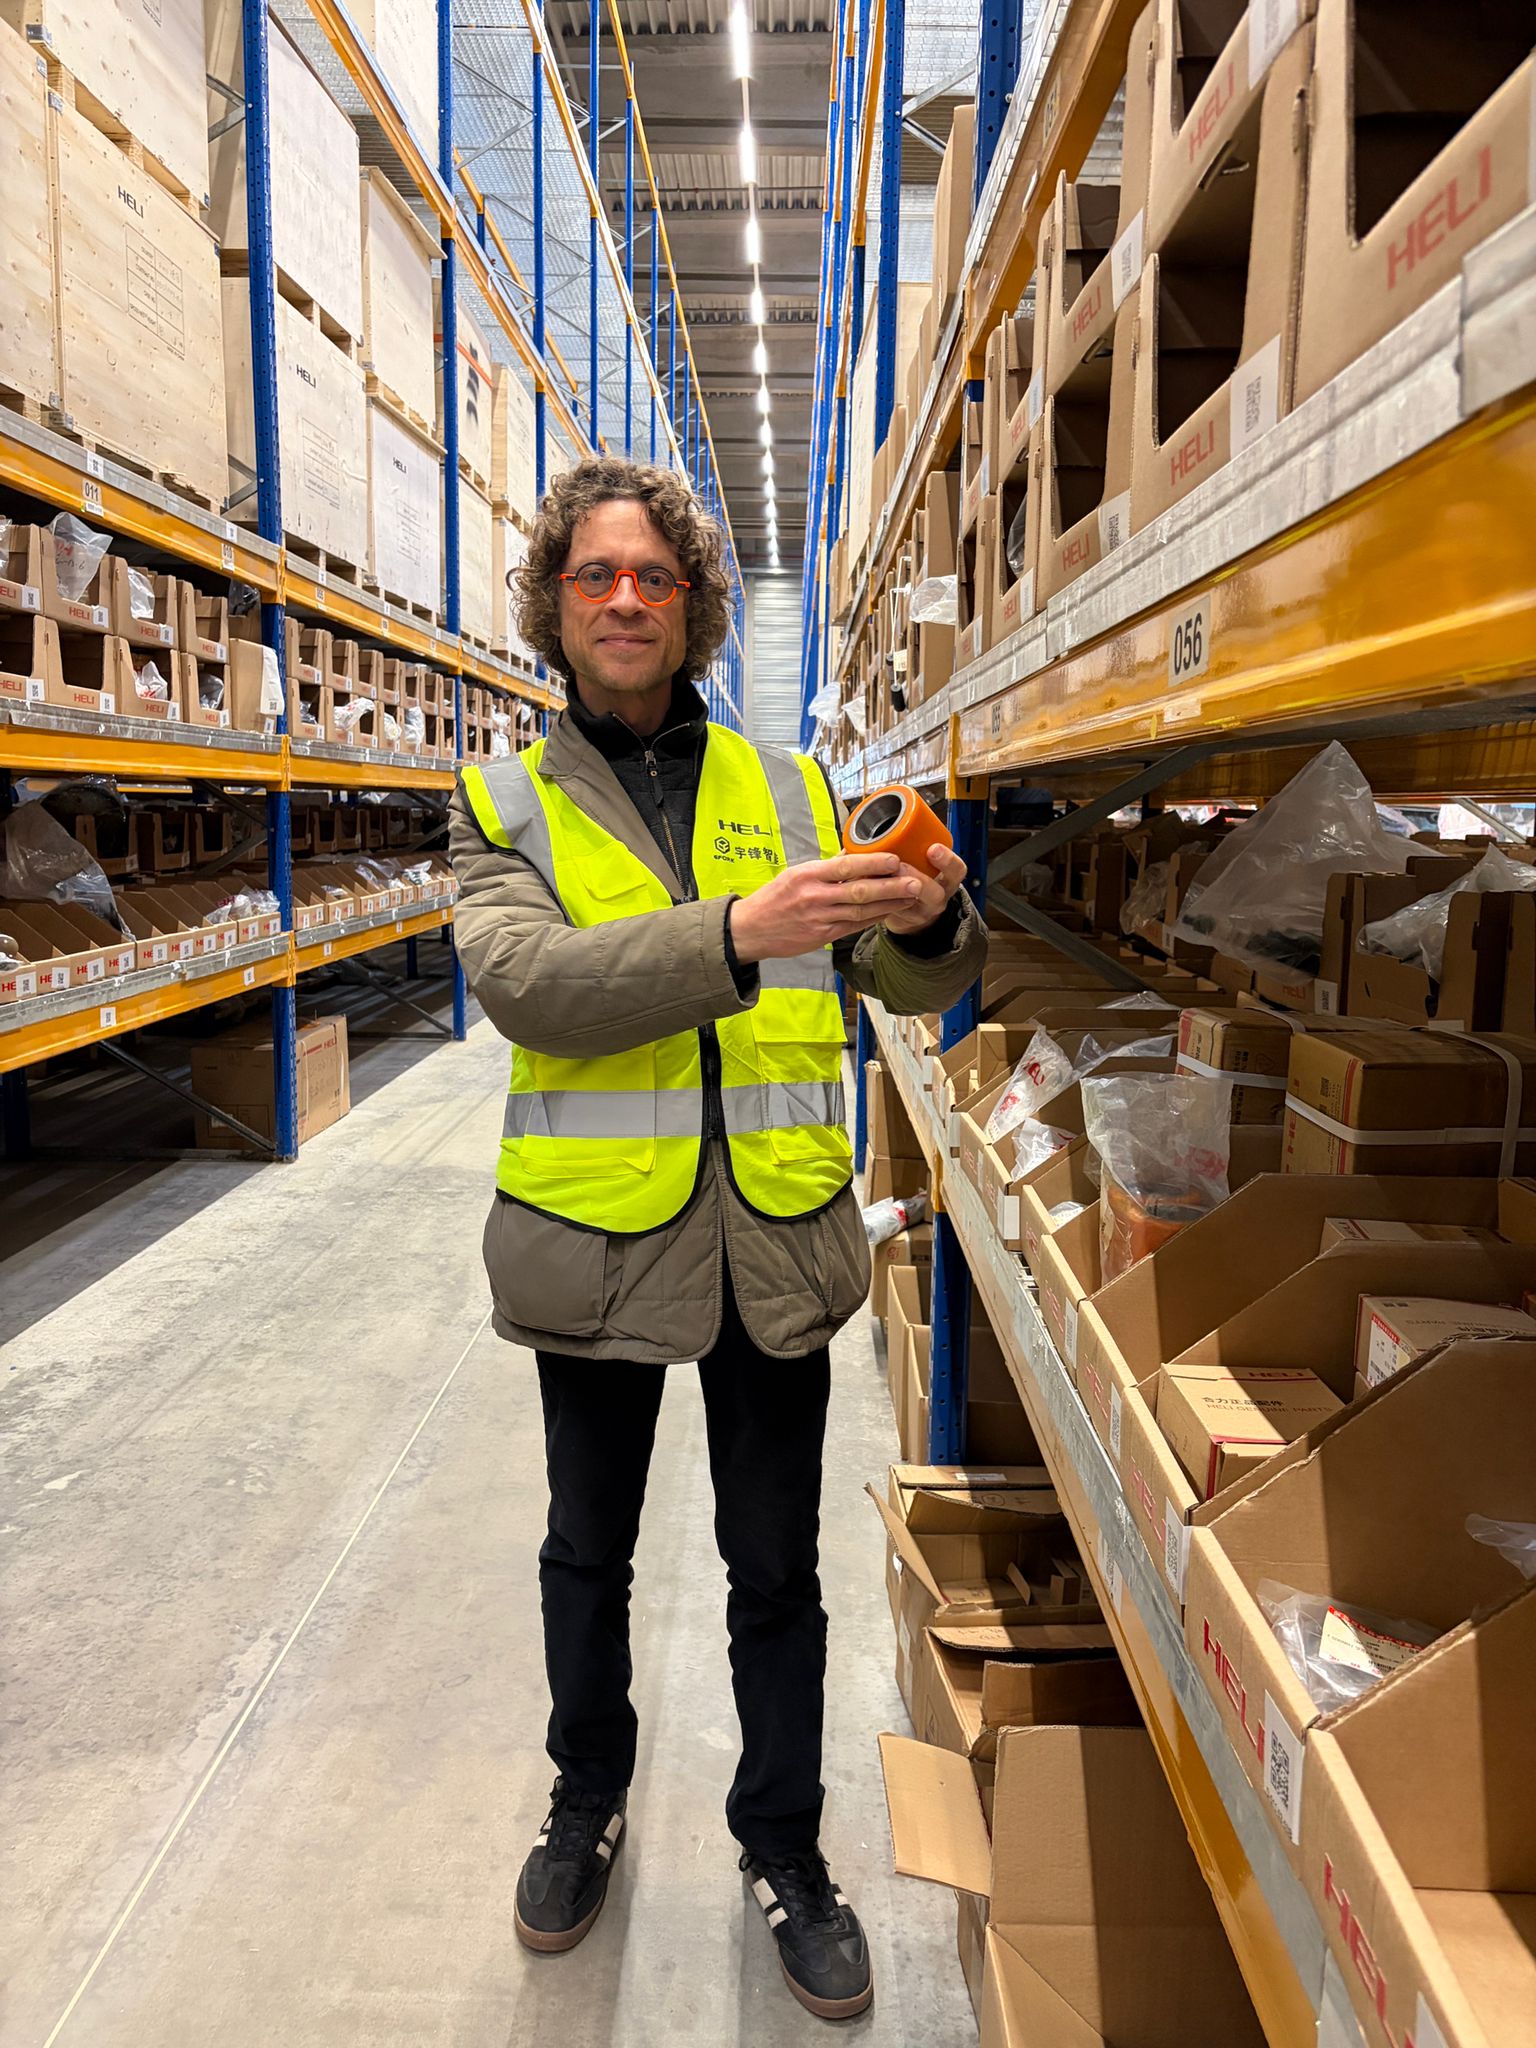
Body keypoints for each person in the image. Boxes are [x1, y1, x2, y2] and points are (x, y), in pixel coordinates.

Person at [450, 456, 986, 2022]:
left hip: (772, 1240)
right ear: (554, 604)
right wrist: (739, 935)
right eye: (596, 576)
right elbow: (530, 988)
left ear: (691, 607)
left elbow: (911, 984)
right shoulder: (502, 804)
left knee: (777, 1572)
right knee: (587, 1554)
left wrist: (934, 918)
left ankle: (786, 1847)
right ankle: (584, 1802)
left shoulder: (795, 790)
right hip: (600, 1241)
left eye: (656, 577)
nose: (626, 600)